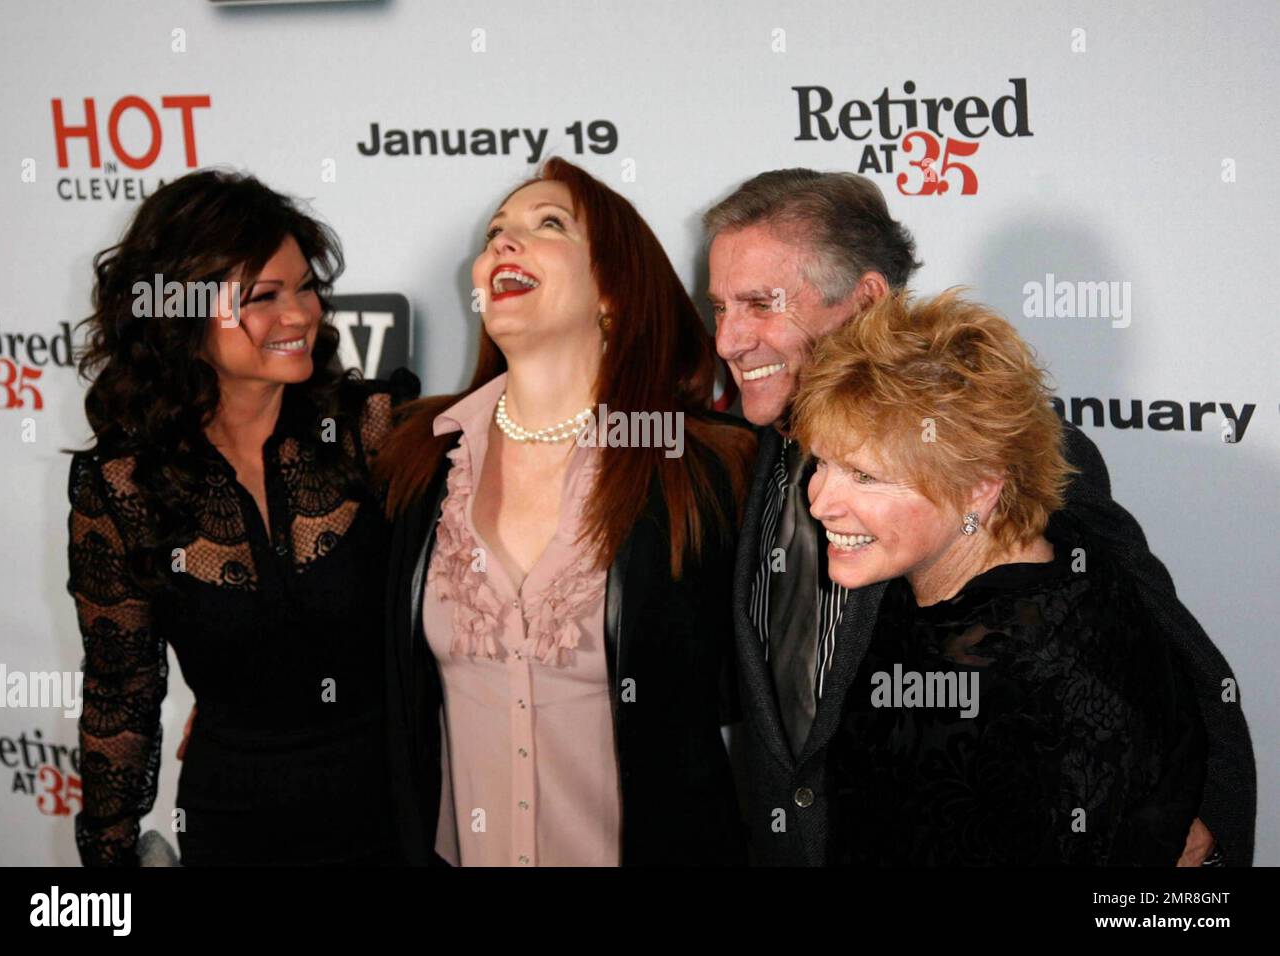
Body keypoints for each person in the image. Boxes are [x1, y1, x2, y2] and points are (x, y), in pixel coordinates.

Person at [704, 168, 1255, 866]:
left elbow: (1166, 652)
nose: (727, 340)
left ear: (867, 298)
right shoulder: (750, 458)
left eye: (758, 303)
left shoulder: (991, 444)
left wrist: (1194, 833)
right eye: (720, 306)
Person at [375, 157, 755, 866]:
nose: (501, 247)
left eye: (547, 225)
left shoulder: (702, 468)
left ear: (613, 289)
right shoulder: (420, 459)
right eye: (494, 234)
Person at [67, 169, 417, 866]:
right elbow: (123, 688)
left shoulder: (371, 429)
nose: (301, 314)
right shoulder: (120, 484)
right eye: (263, 297)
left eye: (306, 287)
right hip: (235, 823)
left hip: (400, 809)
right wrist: (108, 860)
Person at [791, 288, 1206, 864]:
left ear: (980, 488)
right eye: (822, 464)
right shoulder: (920, 590)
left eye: (864, 476)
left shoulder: (1051, 677)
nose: (820, 504)